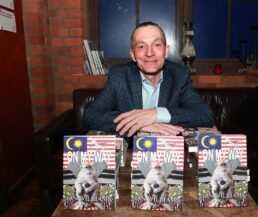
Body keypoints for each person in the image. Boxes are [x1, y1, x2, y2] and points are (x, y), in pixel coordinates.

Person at [83, 21, 214, 137]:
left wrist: (155, 114)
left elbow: (205, 114)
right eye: (141, 46)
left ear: (166, 51)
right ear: (133, 55)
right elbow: (90, 115)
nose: (149, 53)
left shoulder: (179, 75)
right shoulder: (119, 76)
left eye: (157, 45)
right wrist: (139, 124)